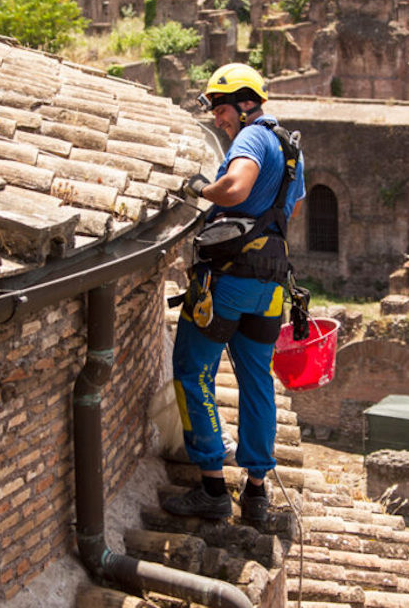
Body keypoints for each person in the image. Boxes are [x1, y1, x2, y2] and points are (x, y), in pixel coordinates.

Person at [161, 63, 305, 524]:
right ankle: (257, 493)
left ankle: (212, 488)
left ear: (245, 103)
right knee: (257, 379)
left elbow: (235, 187)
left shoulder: (251, 138)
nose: (218, 120)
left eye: (221, 109)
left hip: (227, 282)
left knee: (193, 369)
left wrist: (200, 188)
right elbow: (290, 210)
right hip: (271, 287)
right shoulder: (292, 151)